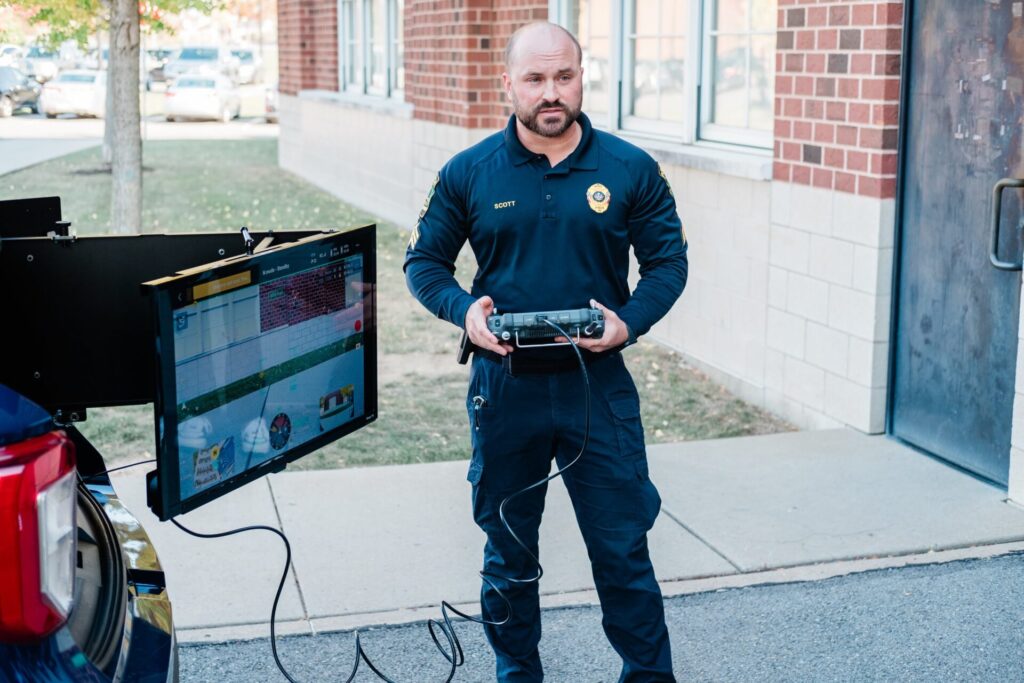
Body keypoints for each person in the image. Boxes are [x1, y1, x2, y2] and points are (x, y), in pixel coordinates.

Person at [404, 21, 687, 682]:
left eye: (564, 76)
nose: (550, 92)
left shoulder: (629, 168)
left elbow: (668, 263)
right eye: (534, 79)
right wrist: (463, 311)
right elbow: (425, 263)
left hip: (599, 386)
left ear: (582, 77)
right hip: (506, 387)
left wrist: (628, 322)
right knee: (508, 551)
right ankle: (517, 674)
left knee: (622, 549)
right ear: (508, 83)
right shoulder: (469, 172)